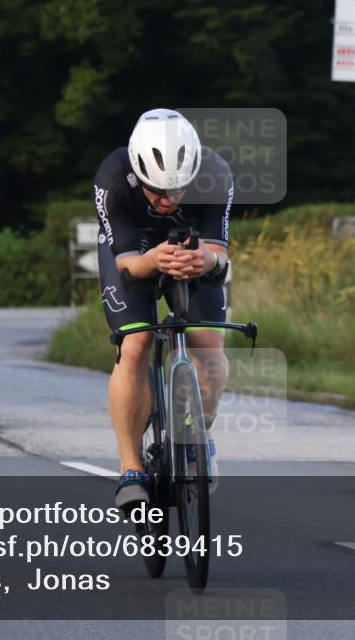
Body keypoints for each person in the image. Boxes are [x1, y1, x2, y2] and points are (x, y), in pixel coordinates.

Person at [94, 109, 234, 509]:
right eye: (157, 192)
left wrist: (207, 261)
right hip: (133, 252)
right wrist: (153, 260)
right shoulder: (113, 176)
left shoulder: (215, 172)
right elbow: (126, 265)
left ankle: (197, 439)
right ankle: (130, 468)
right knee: (135, 344)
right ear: (139, 174)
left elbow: (220, 255)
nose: (169, 200)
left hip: (190, 248)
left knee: (209, 348)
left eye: (178, 189)